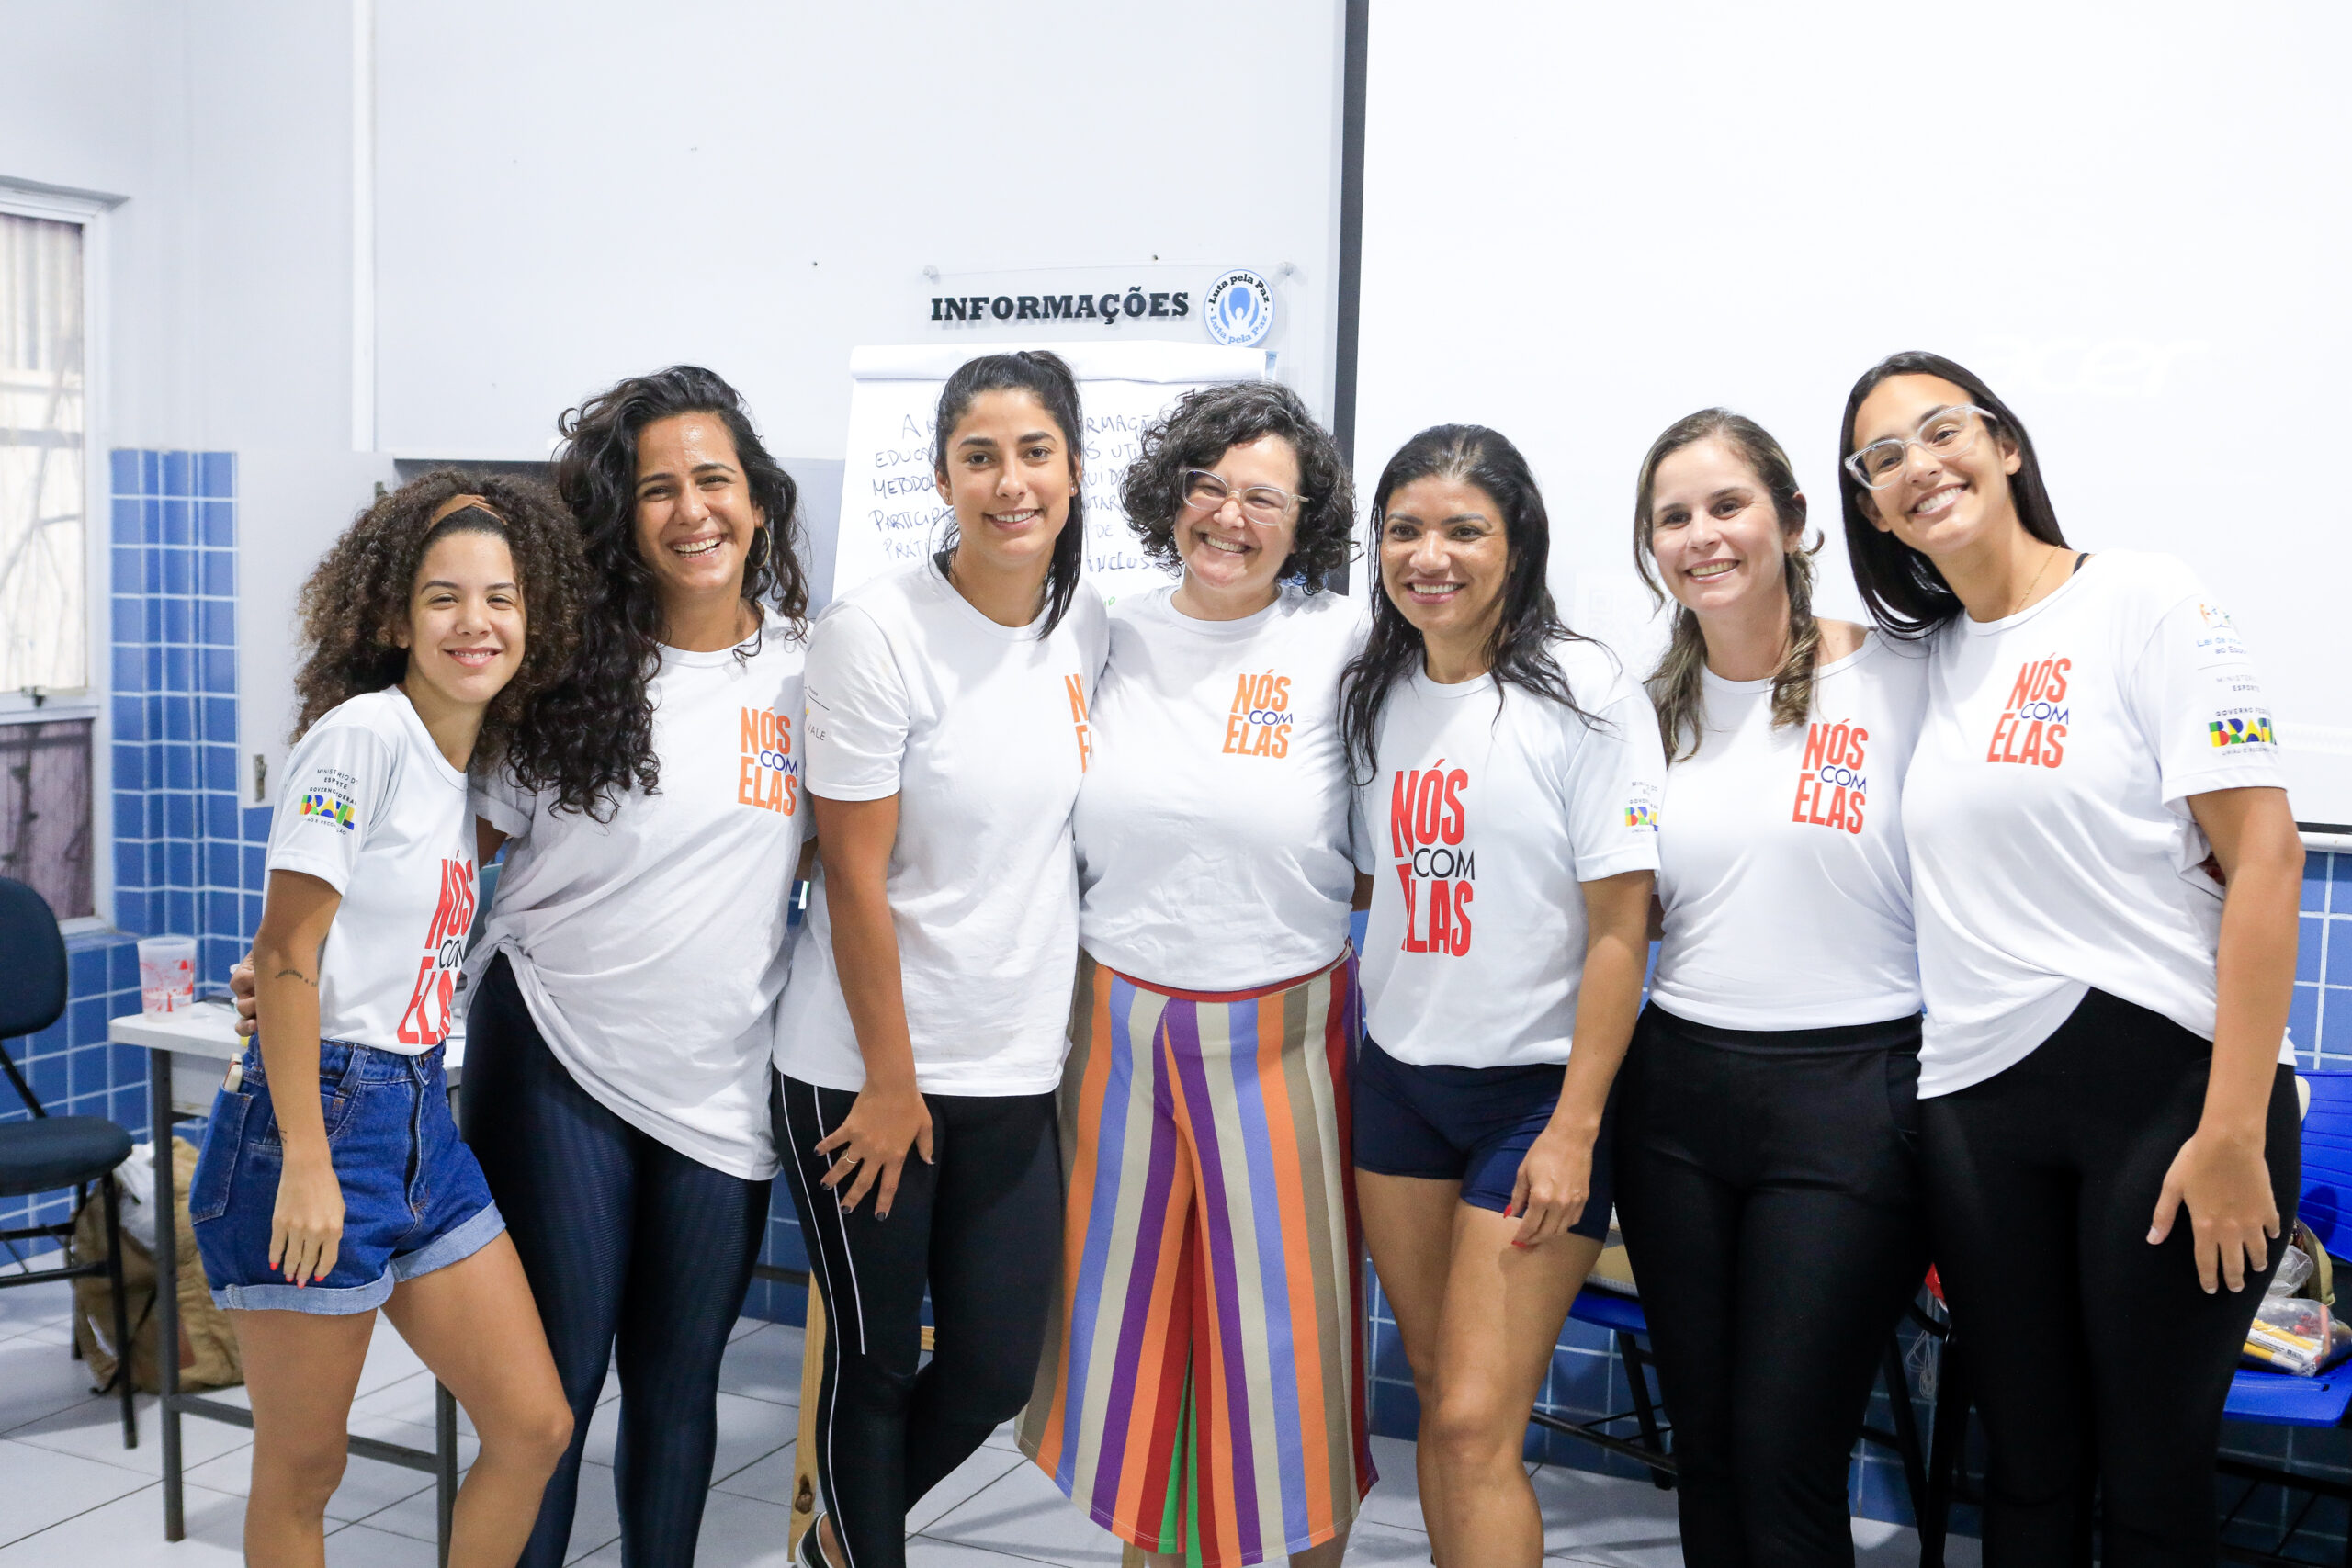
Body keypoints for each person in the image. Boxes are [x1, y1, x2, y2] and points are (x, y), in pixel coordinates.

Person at [237, 367, 818, 1565]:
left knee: (676, 1388)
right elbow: (438, 843)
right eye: (656, 488)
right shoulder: (561, 674)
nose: (691, 509)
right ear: (623, 515)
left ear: (759, 498)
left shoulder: (814, 673)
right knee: (551, 1395)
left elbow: (850, 860)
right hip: (553, 1054)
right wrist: (299, 970)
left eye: (714, 479)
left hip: (719, 1079)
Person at [1843, 351, 2301, 1562]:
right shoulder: (1922, 661)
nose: (1918, 465)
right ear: (1872, 508)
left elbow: (2266, 857)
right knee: (2028, 1473)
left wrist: (2234, 1129)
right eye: (1883, 457)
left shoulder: (2146, 599)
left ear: (2004, 445)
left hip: (2171, 1100)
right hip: (1975, 1109)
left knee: (2151, 1477)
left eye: (1941, 431)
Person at [192, 474, 582, 1567]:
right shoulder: (361, 736)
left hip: (419, 1122)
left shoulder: (462, 771)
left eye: (499, 598)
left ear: (532, 619)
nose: (474, 622)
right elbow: (285, 955)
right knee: (305, 1468)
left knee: (533, 1427)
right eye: (443, 597)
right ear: (395, 618)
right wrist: (308, 1164)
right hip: (312, 1126)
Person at [1019, 380, 1374, 1568]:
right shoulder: (1102, 631)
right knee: (1137, 1351)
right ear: (1169, 495)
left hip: (1286, 1035)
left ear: (1305, 521)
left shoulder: (1343, 642)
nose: (1229, 516)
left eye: (1264, 498)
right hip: (1114, 1032)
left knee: (1293, 1356)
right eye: (1208, 486)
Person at [775, 350, 1109, 1568]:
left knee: (991, 1367)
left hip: (1009, 1066)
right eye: (980, 457)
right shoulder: (876, 633)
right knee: (872, 1364)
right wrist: (890, 1079)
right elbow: (851, 875)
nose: (1010, 482)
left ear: (1074, 469)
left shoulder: (1086, 625)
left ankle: (835, 1547)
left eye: (1034, 453)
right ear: (941, 478)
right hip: (863, 1071)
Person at [1340, 425, 1663, 1568]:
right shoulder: (1374, 691)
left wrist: (1575, 1128)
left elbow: (1622, 927)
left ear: (1516, 545)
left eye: (1463, 530)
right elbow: (1375, 882)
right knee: (1439, 1396)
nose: (1429, 556)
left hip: (1533, 1101)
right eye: (1404, 531)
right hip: (1398, 1087)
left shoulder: (1585, 691)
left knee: (1478, 1420)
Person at [1612, 409, 1929, 1566]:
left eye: (1727, 505)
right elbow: (1629, 914)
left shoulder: (1904, 675)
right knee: (1705, 1449)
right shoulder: (1643, 715)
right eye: (1673, 518)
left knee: (1784, 1453)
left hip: (1854, 1103)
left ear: (1793, 521)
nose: (1702, 535)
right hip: (1677, 1100)